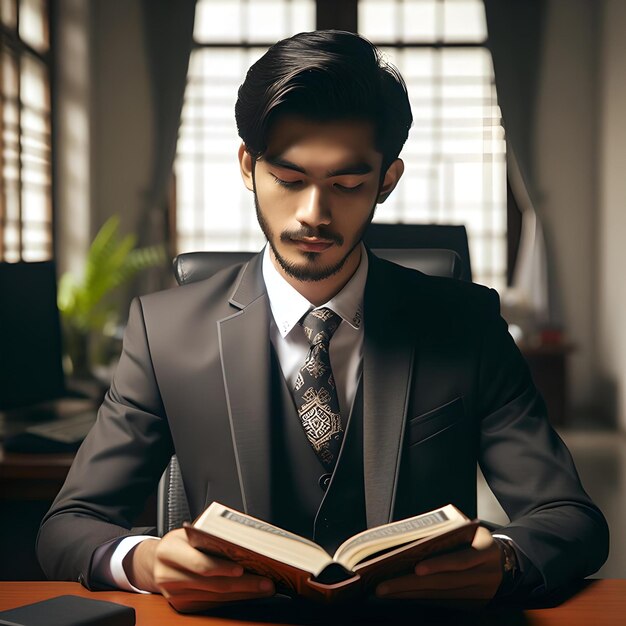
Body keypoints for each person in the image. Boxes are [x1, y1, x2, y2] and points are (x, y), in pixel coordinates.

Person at [37, 30, 608, 613]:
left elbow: (570, 518)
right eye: (288, 180)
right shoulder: (163, 332)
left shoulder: (467, 324)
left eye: (348, 184)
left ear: (387, 178)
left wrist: (505, 560)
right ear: (248, 167)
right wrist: (145, 560)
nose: (314, 214)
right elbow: (68, 526)